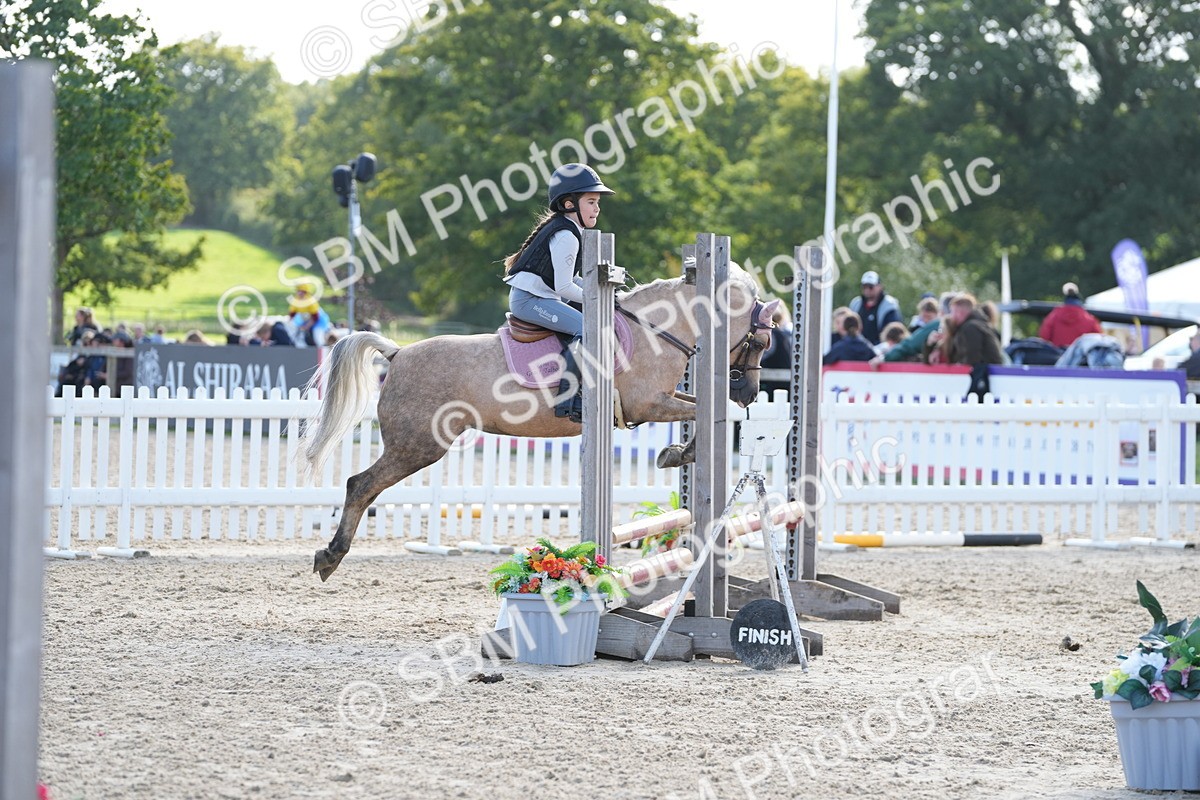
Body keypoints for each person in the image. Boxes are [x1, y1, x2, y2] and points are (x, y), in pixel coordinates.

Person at [502, 162, 615, 422]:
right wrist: (598, 298)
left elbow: (571, 279)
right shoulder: (566, 236)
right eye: (591, 201)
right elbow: (563, 288)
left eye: (597, 202)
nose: (597, 208)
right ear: (568, 204)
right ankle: (567, 399)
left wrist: (605, 292)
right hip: (530, 301)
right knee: (588, 330)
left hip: (540, 297)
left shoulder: (569, 230)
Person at [1038, 282, 1101, 348]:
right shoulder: (1089, 320)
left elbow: (1044, 336)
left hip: (1058, 353)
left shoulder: (1053, 316)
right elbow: (1098, 340)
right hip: (1080, 354)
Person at [947, 294, 1005, 366]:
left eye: (953, 311)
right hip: (990, 369)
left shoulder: (970, 328)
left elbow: (972, 357)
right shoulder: (980, 324)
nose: (951, 316)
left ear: (960, 312)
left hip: (984, 370)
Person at [849, 271, 903, 345]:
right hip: (857, 347)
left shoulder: (889, 305)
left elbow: (894, 333)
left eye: (871, 287)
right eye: (864, 286)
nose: (867, 289)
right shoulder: (856, 304)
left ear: (880, 286)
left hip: (881, 347)